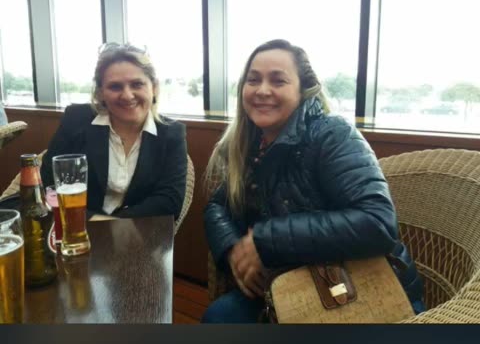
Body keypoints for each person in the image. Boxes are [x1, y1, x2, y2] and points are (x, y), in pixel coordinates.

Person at [203, 39, 423, 323]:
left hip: (365, 290)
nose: (262, 90)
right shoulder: (252, 145)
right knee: (218, 317)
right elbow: (217, 206)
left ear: (303, 90)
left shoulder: (333, 134)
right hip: (290, 283)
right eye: (253, 80)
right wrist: (232, 249)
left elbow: (378, 222)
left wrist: (265, 240)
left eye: (278, 80)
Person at [41, 43, 187, 220]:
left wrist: (113, 225)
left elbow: (170, 201)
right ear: (100, 93)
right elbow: (49, 184)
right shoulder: (76, 119)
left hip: (137, 232)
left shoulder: (172, 133)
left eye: (137, 84)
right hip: (77, 227)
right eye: (115, 87)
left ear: (154, 88)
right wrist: (91, 219)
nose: (127, 95)